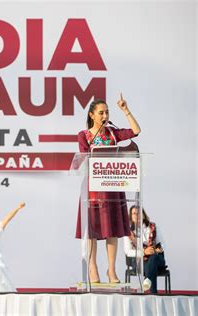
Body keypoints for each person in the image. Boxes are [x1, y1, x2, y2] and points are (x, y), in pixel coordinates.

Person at [75, 94, 141, 284]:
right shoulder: (84, 135)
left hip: (112, 185)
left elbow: (136, 131)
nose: (105, 115)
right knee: (92, 229)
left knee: (112, 229)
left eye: (107, 112)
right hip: (92, 188)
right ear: (92, 115)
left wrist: (125, 110)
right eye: (101, 112)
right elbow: (84, 158)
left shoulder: (113, 133)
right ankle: (92, 266)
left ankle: (111, 270)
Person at [124, 206, 166, 294]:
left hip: (156, 258)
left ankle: (148, 286)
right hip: (139, 261)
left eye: (139, 213)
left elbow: (163, 245)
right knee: (150, 262)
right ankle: (153, 292)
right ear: (131, 216)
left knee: (153, 258)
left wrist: (153, 250)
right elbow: (128, 252)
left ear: (143, 214)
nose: (137, 215)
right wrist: (143, 252)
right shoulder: (128, 231)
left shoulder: (153, 227)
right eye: (134, 214)